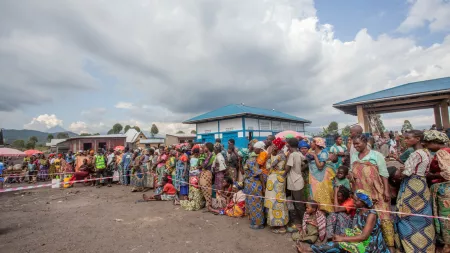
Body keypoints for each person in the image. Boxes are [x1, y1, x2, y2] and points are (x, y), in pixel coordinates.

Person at [300, 190, 390, 253]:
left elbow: (364, 236)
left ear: (363, 202)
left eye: (355, 201)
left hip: (369, 245)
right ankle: (313, 249)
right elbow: (355, 229)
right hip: (360, 238)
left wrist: (343, 238)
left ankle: (311, 250)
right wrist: (342, 236)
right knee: (337, 242)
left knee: (338, 245)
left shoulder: (371, 215)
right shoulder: (359, 211)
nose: (353, 202)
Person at [393, 130, 435, 252]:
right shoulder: (426, 153)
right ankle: (426, 245)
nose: (405, 141)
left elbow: (406, 173)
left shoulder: (415, 154)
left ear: (417, 139)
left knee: (405, 214)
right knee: (421, 214)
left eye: (407, 138)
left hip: (411, 186)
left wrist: (399, 172)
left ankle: (411, 246)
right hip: (422, 185)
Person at [350, 134, 394, 250]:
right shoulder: (354, 156)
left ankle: (390, 246)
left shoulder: (376, 155)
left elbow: (384, 174)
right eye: (354, 144)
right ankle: (371, 245)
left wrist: (386, 191)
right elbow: (352, 176)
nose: (355, 146)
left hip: (377, 192)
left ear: (365, 142)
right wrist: (354, 192)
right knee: (365, 218)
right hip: (362, 194)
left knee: (384, 217)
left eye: (358, 143)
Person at [424, 130, 450, 250]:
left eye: (428, 144)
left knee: (445, 218)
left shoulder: (441, 153)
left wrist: (431, 175)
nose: (427, 147)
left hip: (445, 190)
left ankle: (447, 244)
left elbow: (447, 173)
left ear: (435, 142)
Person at [265, 137, 289, 234]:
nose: (272, 146)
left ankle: (280, 225)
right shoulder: (279, 155)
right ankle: (276, 223)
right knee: (274, 201)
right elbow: (268, 166)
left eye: (274, 145)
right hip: (274, 180)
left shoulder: (280, 156)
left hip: (277, 181)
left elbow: (269, 165)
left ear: (278, 146)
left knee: (278, 202)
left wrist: (269, 155)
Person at [308, 137, 335, 213]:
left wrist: (315, 156)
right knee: (314, 196)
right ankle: (316, 214)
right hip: (313, 178)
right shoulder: (311, 151)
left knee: (322, 196)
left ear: (316, 144)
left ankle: (324, 215)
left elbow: (320, 166)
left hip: (321, 178)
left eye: (312, 142)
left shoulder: (323, 153)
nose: (310, 144)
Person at [243, 144, 265, 229]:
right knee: (252, 204)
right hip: (251, 184)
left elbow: (259, 173)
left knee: (256, 204)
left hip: (254, 184)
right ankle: (254, 220)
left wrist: (263, 186)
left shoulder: (251, 161)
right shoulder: (251, 160)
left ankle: (259, 224)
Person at [285, 137, 306, 226]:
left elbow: (287, 168)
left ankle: (303, 222)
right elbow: (306, 163)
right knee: (298, 203)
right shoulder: (299, 154)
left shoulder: (292, 155)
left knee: (298, 204)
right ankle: (300, 221)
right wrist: (299, 170)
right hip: (298, 180)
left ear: (289, 145)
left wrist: (283, 175)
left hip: (294, 182)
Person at [199, 142, 215, 210]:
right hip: (204, 173)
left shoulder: (211, 156)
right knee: (204, 188)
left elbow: (204, 165)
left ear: (208, 148)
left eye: (205, 147)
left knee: (207, 189)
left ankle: (209, 205)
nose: (204, 148)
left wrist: (201, 165)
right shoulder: (207, 155)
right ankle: (208, 205)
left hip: (207, 173)